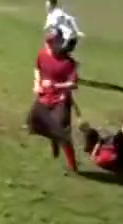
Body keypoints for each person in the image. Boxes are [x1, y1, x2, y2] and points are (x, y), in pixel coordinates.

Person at [26, 28, 80, 173]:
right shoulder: (42, 54)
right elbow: (37, 69)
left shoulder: (68, 62)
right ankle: (54, 138)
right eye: (48, 42)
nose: (49, 45)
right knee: (32, 122)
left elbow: (73, 84)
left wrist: (55, 85)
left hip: (61, 100)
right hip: (44, 96)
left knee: (62, 131)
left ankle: (72, 165)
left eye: (52, 42)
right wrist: (37, 83)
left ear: (60, 42)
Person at [78, 94, 123, 173]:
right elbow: (110, 157)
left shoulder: (93, 150)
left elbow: (97, 156)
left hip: (118, 153)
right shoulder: (99, 149)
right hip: (121, 157)